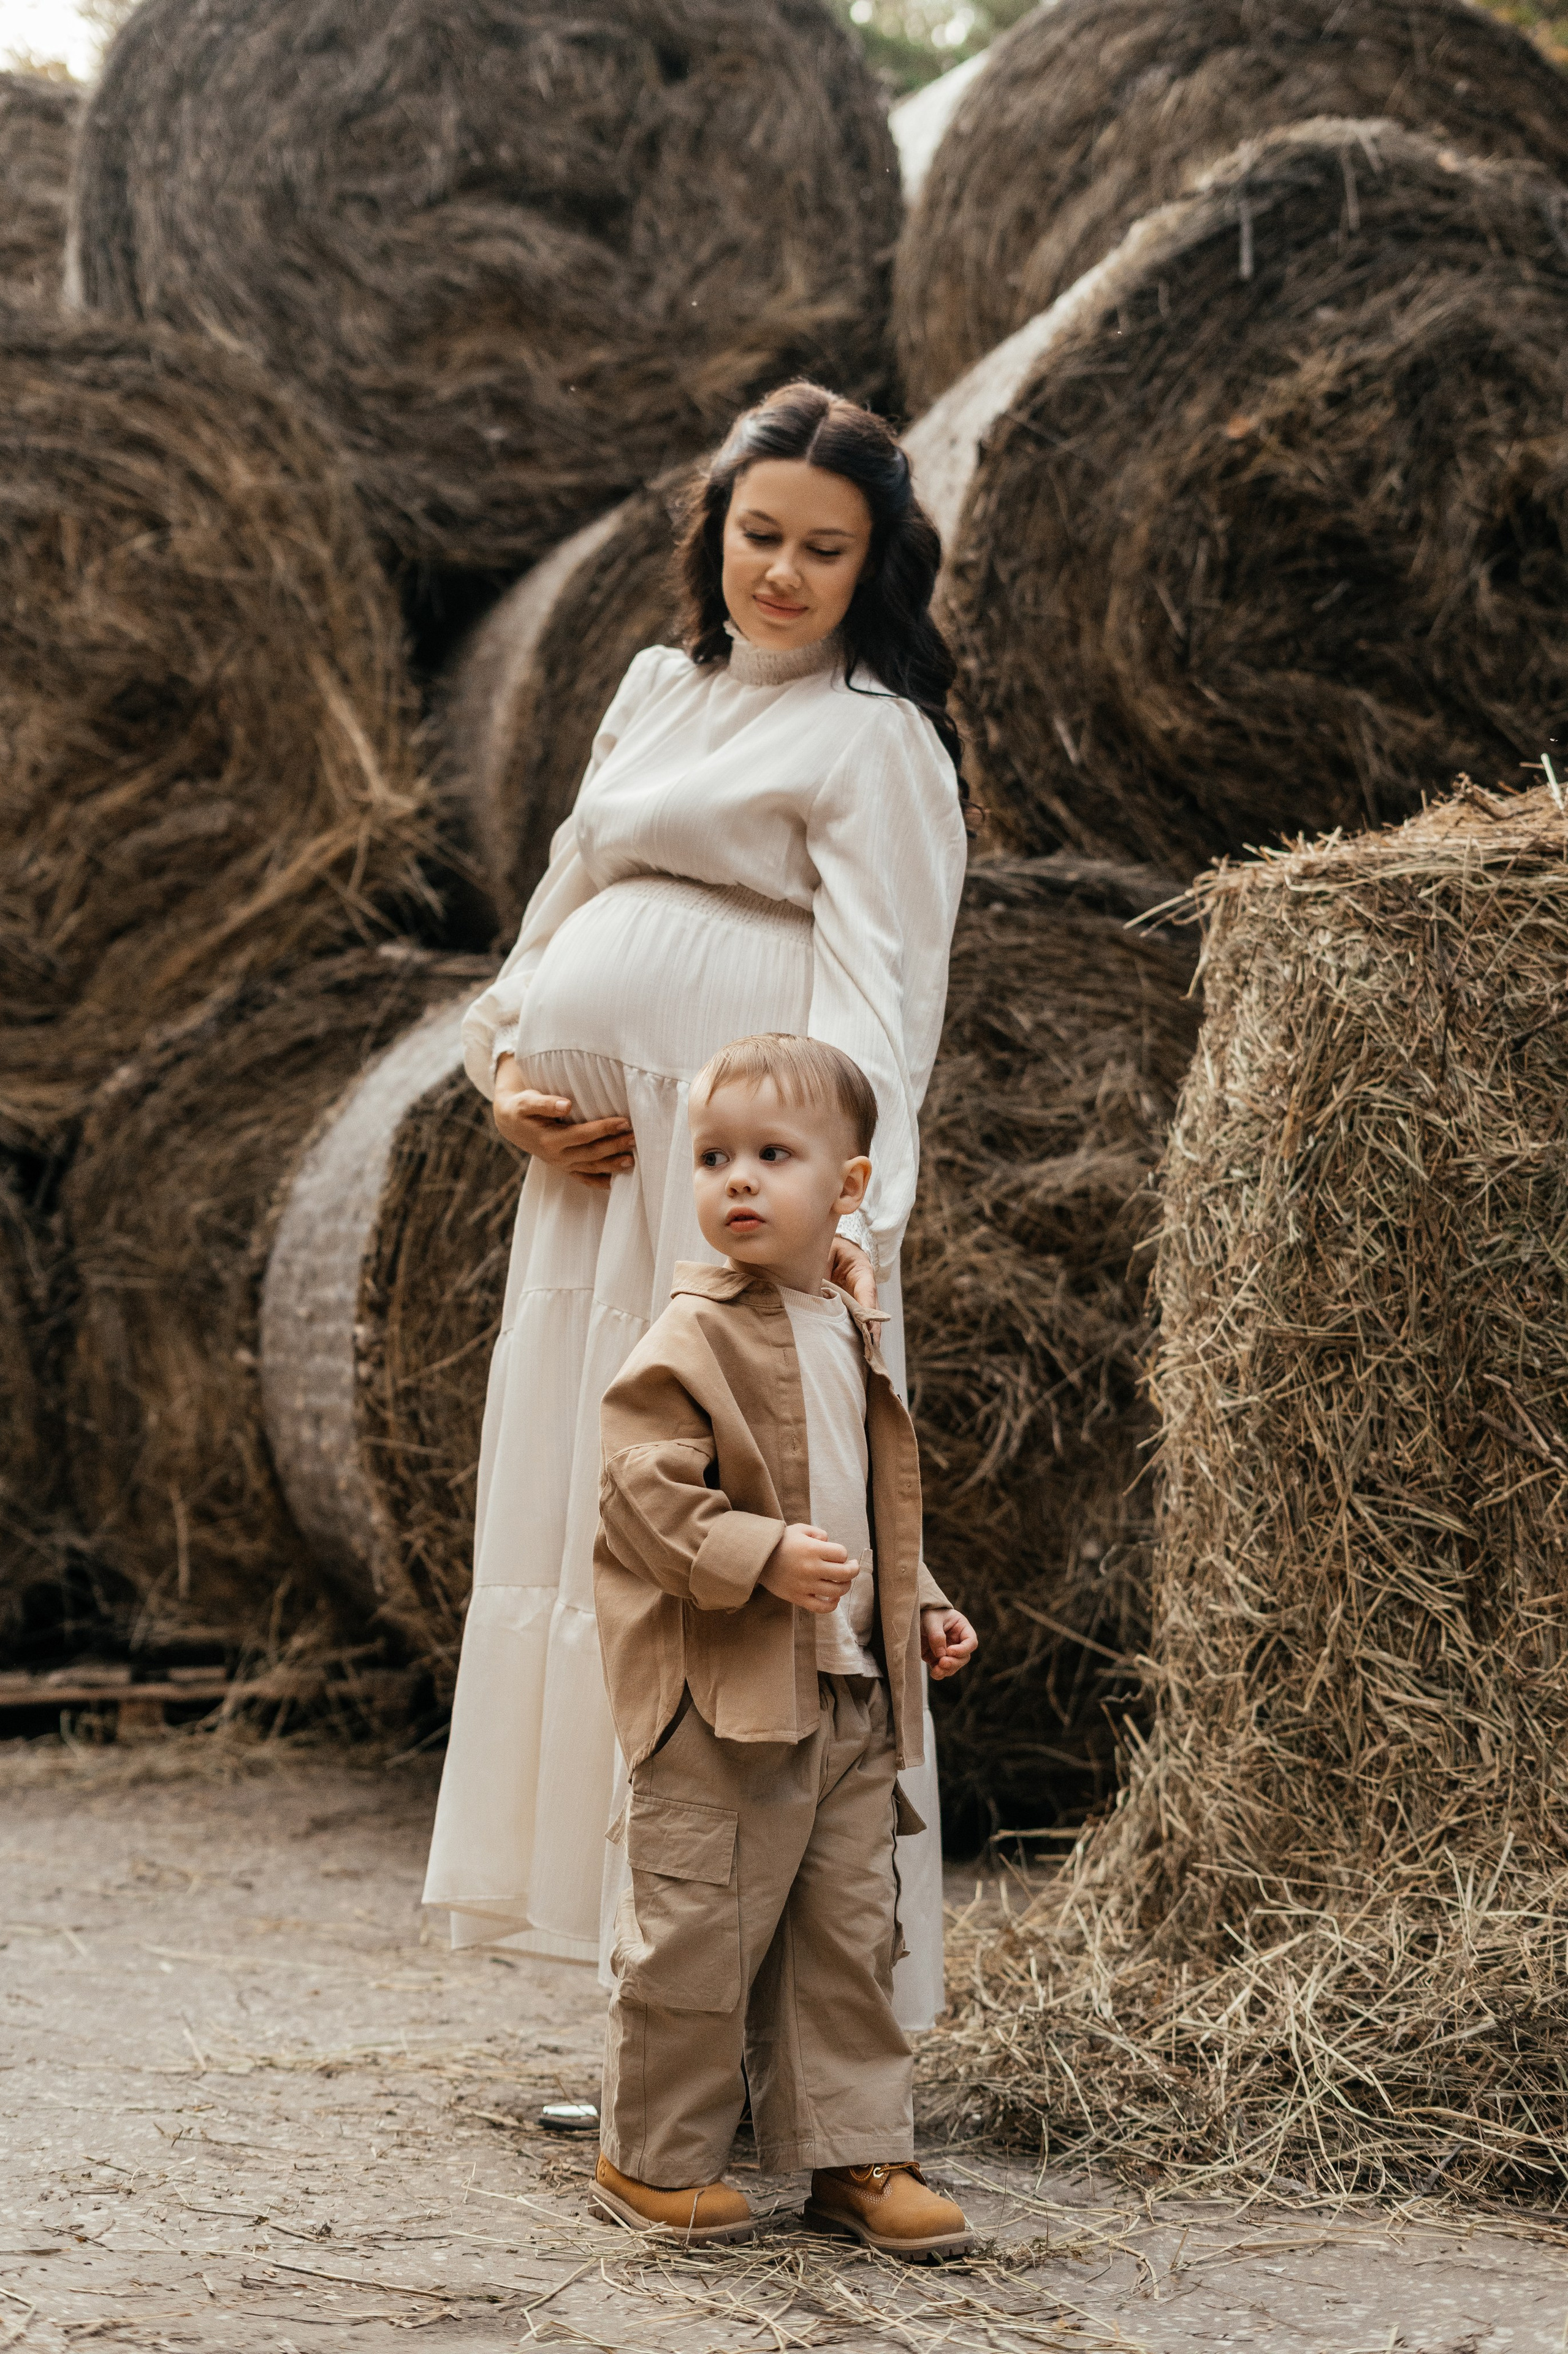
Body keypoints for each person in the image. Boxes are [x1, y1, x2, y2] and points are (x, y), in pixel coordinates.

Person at [422, 381, 970, 2027]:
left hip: (732, 1191)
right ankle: (647, 1996)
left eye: (823, 550)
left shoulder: (879, 738)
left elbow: (890, 1002)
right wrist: (505, 1071)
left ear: (873, 565)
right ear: (713, 532)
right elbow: (561, 901)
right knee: (608, 1532)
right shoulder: (658, 686)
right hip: (595, 1193)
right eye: (759, 537)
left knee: (739, 1563)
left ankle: (783, 2019)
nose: (783, 576)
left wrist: (845, 1234)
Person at [591, 1033, 978, 2253]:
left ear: (846, 1190)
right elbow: (636, 1496)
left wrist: (915, 1600)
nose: (736, 1181)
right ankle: (649, 2158)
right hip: (724, 1696)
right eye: (712, 1158)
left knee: (845, 1938)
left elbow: (867, 1502)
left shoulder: (843, 1329)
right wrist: (757, 1552)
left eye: (771, 1156)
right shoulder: (689, 1337)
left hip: (851, 1698)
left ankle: (852, 2157)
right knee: (700, 1933)